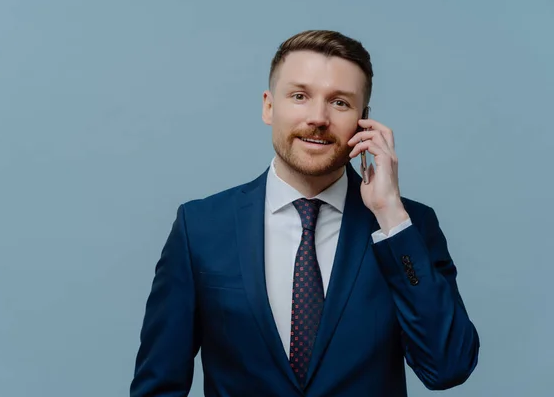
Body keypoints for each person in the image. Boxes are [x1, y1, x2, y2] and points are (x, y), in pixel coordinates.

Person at [129, 29, 480, 397]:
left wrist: (391, 215)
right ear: (269, 106)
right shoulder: (199, 228)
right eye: (299, 96)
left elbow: (448, 367)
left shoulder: (408, 228)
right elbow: (158, 386)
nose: (318, 117)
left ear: (364, 120)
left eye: (340, 103)